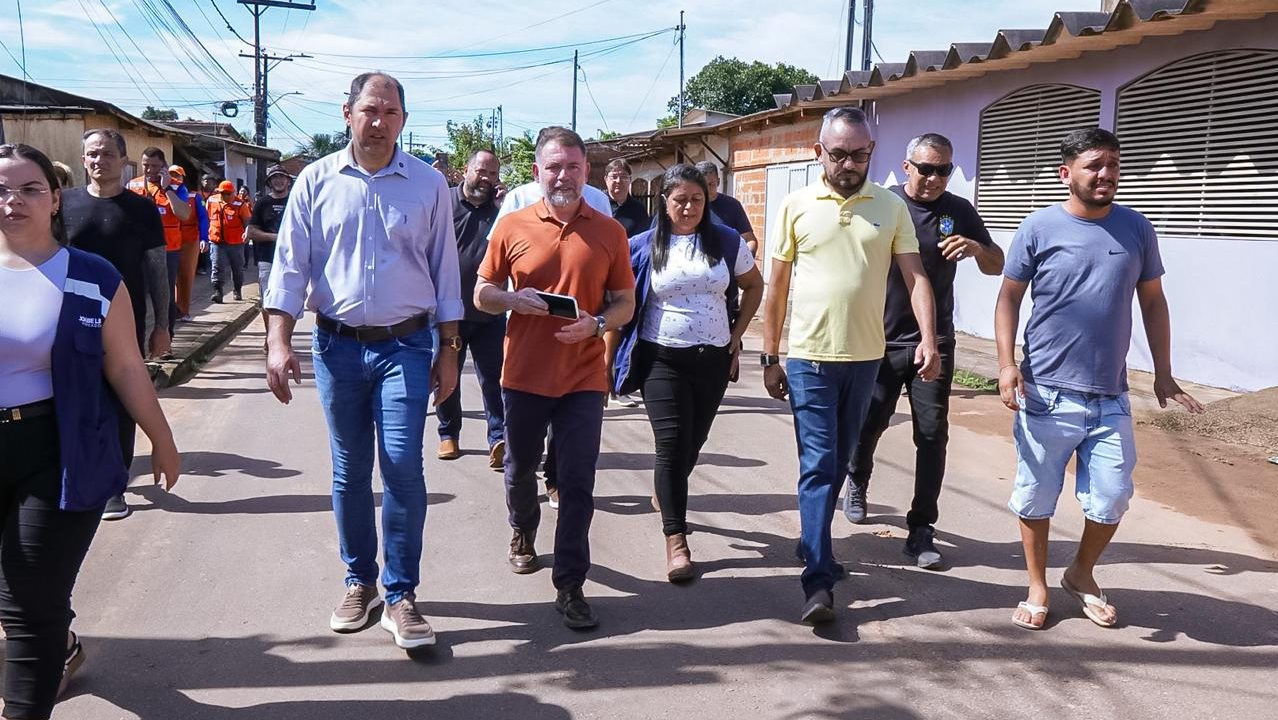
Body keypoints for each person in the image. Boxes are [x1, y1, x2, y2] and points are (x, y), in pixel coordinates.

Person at [264, 72, 463, 650]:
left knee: (402, 465)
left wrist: (450, 351)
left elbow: (446, 271)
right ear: (347, 112)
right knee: (349, 470)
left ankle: (401, 595)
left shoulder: (428, 184)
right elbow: (290, 267)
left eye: (390, 112)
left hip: (407, 345)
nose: (379, 122)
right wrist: (278, 341)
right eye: (370, 110)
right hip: (337, 347)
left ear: (404, 120)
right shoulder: (315, 180)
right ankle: (360, 583)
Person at [996, 127, 1203, 632]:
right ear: (1066, 173)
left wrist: (1164, 373)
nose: (1106, 174)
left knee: (1111, 497)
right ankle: (1037, 585)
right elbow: (1008, 297)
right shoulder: (1039, 227)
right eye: (1095, 165)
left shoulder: (1136, 228)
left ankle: (1080, 572)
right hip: (1045, 391)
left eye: (1113, 164)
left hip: (1110, 393)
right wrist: (1006, 364)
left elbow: (1152, 301)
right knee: (1036, 495)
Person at [0, 142, 179, 720]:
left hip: (58, 450)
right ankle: (65, 646)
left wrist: (161, 438)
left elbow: (124, 366)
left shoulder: (91, 276)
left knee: (29, 602)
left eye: (29, 189)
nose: (13, 201)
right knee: (15, 596)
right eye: (1, 190)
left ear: (55, 199)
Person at [762, 107, 940, 625]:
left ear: (871, 153)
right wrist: (770, 356)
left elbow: (916, 277)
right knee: (819, 464)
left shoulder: (890, 206)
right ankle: (818, 580)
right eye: (838, 154)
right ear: (819, 152)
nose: (848, 164)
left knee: (839, 462)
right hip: (810, 360)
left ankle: (811, 539)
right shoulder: (795, 206)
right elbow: (777, 287)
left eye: (859, 155)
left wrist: (929, 339)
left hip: (866, 360)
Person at [475, 126, 635, 630]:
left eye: (572, 167)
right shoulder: (512, 225)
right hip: (523, 373)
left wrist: (598, 323)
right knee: (519, 468)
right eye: (553, 167)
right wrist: (511, 299)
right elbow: (482, 292)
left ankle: (570, 584)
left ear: (586, 172)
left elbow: (625, 302)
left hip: (583, 376)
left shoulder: (609, 231)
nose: (563, 176)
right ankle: (523, 528)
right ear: (537, 172)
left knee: (577, 480)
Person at [845, 133, 1005, 569]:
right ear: (906, 166)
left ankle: (921, 528)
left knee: (932, 434)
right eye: (926, 169)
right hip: (878, 339)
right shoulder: (881, 203)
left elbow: (996, 266)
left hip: (935, 341)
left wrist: (978, 248)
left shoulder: (958, 211)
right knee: (870, 423)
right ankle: (857, 477)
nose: (934, 178)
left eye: (943, 170)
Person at [613, 164, 763, 581]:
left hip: (712, 359)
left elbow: (754, 286)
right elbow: (620, 298)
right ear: (664, 202)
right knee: (672, 444)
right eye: (680, 200)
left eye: (697, 199)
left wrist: (736, 336)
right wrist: (608, 354)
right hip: (661, 359)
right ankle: (676, 540)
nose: (689, 207)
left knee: (694, 442)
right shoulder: (642, 246)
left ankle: (666, 489)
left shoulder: (727, 241)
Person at [63, 129, 172, 522]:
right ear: (83, 160)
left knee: (121, 402)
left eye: (108, 154)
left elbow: (157, 271)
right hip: (69, 322)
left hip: (125, 323)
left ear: (124, 161)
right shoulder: (64, 205)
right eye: (92, 154)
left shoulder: (141, 210)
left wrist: (163, 325)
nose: (99, 161)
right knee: (74, 398)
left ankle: (114, 486)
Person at [435, 149, 506, 469]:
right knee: (447, 373)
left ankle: (498, 438)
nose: (487, 179)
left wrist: (505, 209)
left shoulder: (502, 209)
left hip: (490, 312)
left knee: (494, 379)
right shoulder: (444, 202)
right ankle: (448, 434)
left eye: (493, 174)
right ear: (466, 170)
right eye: (481, 171)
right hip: (449, 310)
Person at [602, 157, 651, 408]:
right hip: (599, 276)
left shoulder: (638, 211)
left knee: (622, 330)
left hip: (628, 277)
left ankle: (616, 385)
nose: (618, 181)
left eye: (623, 176)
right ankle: (599, 382)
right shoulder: (598, 205)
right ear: (605, 180)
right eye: (614, 176)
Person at [246, 165, 292, 340]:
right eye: (274, 178)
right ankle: (271, 337)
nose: (278, 180)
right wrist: (277, 237)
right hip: (267, 258)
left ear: (288, 181)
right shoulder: (262, 203)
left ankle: (284, 339)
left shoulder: (295, 200)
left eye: (282, 177)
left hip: (292, 258)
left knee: (290, 301)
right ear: (269, 182)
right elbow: (251, 232)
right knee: (268, 300)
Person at [693, 161, 758, 257]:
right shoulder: (689, 207)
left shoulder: (732, 205)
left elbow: (749, 240)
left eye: (711, 184)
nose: (706, 189)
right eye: (702, 185)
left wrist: (745, 259)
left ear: (718, 182)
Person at [171, 164, 207, 325]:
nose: (174, 178)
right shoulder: (163, 193)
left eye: (177, 175)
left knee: (185, 276)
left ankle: (183, 310)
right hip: (170, 239)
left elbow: (203, 218)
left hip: (189, 240)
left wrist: (204, 238)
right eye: (172, 175)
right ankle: (171, 309)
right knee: (169, 277)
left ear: (183, 178)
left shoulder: (194, 197)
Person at [206, 180, 252, 303]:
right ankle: (218, 292)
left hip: (236, 243)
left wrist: (247, 235)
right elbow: (207, 217)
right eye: (223, 193)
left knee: (237, 268)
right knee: (217, 266)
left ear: (233, 193)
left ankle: (237, 289)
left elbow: (247, 222)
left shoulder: (241, 205)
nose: (225, 196)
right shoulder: (212, 201)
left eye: (228, 193)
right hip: (217, 242)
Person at [195, 177, 218, 276]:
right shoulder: (197, 195)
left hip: (212, 223)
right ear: (202, 182)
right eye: (206, 181)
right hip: (199, 223)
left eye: (211, 182)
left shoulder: (216, 195)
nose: (208, 183)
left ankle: (204, 266)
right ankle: (199, 266)